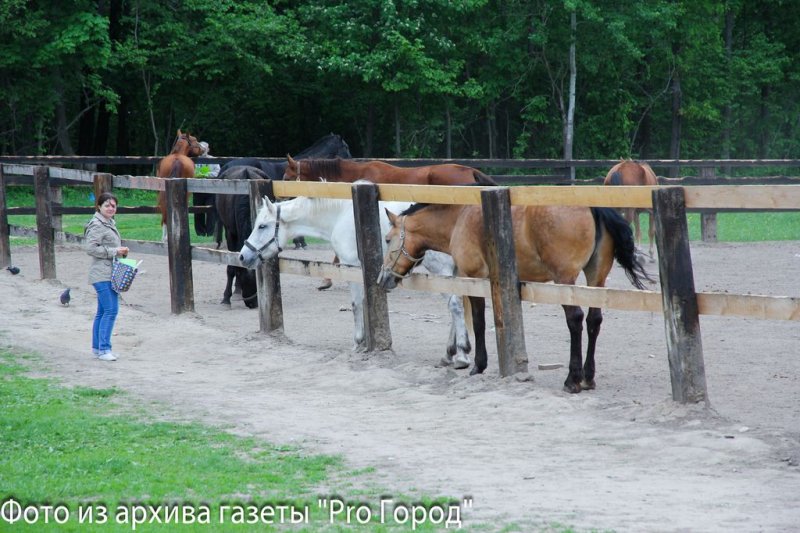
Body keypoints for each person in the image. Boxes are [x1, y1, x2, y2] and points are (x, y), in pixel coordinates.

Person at [84, 192, 129, 362]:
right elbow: (90, 248)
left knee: (102, 312)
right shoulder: (97, 225)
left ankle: (98, 348)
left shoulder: (108, 223)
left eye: (113, 206)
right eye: (107, 205)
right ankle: (104, 349)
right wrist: (115, 251)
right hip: (102, 274)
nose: (111, 208)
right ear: (99, 207)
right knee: (111, 310)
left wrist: (120, 252)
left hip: (108, 272)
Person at [193, 141, 221, 237]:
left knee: (211, 211)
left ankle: (210, 232)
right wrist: (198, 174)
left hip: (210, 189)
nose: (203, 150)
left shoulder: (213, 160)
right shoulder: (194, 160)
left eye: (205, 148)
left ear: (208, 149)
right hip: (197, 189)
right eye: (201, 148)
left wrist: (206, 174)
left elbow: (217, 172)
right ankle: (200, 232)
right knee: (197, 211)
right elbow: (192, 173)